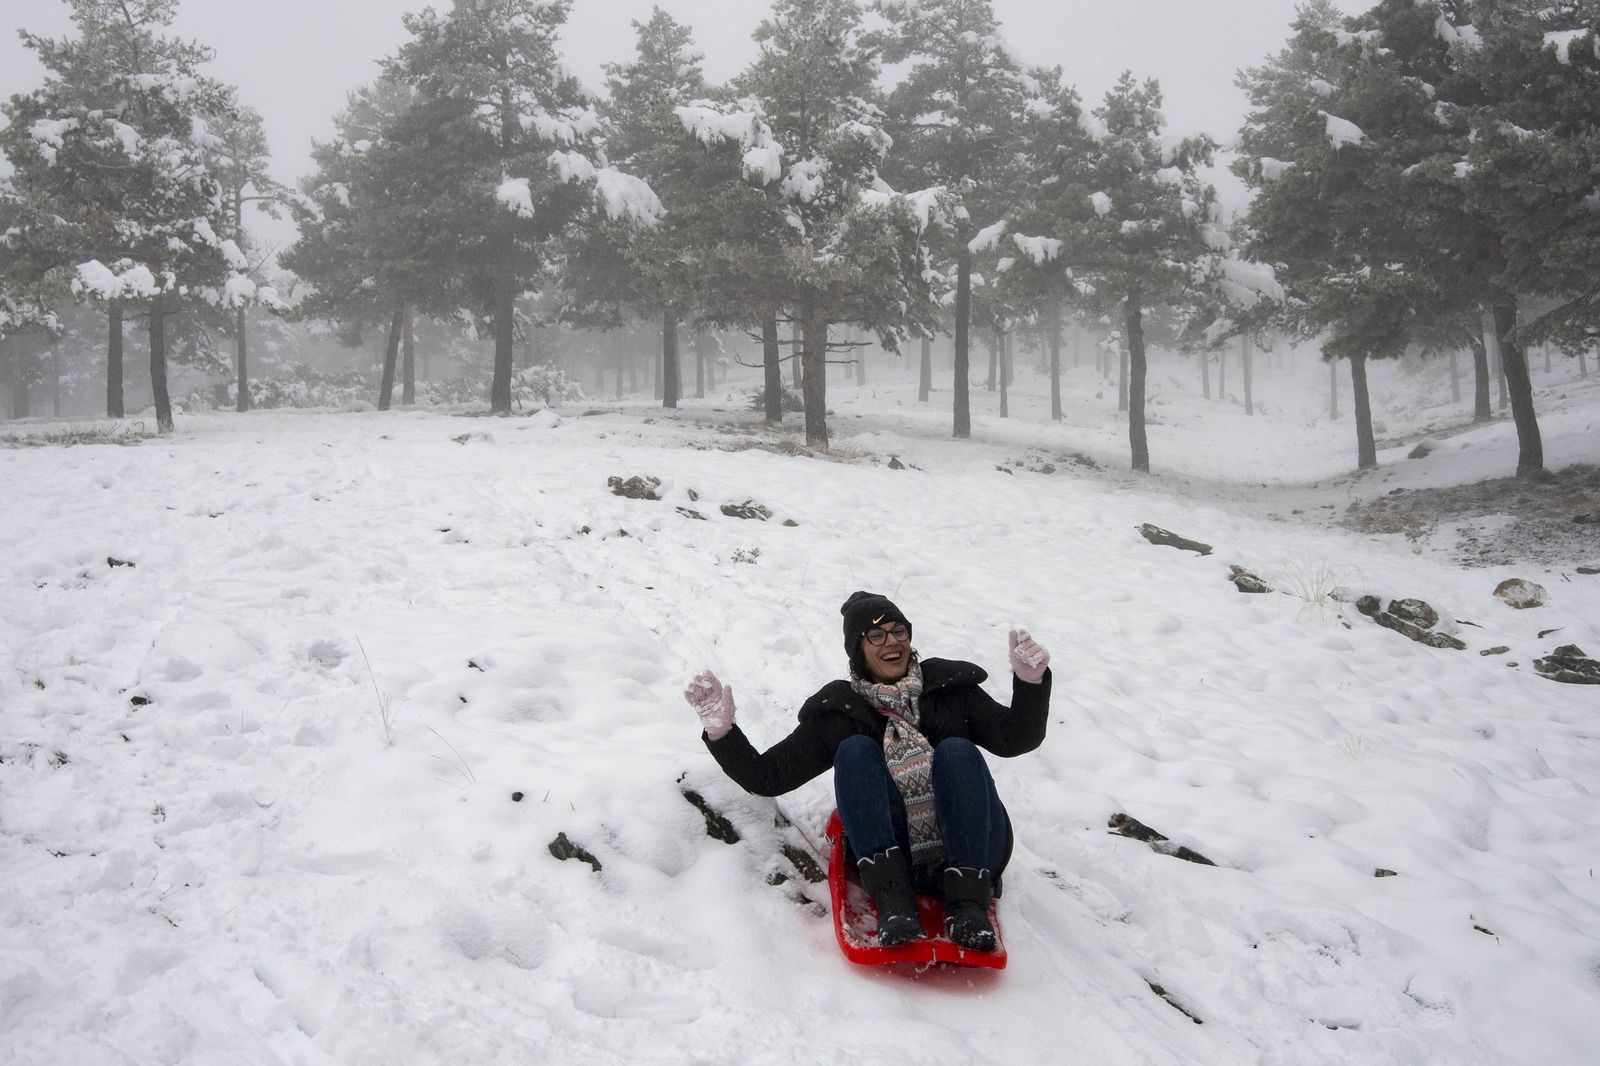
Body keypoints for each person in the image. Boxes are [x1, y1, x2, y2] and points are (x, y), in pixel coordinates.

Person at [683, 591, 1051, 951]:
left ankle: (968, 903)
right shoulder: (841, 711)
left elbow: (1014, 739)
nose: (891, 641)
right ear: (858, 649)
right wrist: (722, 732)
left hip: (976, 845)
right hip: (897, 855)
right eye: (876, 635)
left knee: (957, 750)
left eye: (899, 631)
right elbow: (767, 777)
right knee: (856, 750)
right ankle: (894, 902)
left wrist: (1030, 683)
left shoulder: (948, 690)